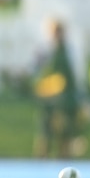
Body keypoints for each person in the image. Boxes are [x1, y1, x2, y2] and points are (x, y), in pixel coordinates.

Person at [32, 20, 83, 158]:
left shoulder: (69, 50)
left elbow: (74, 73)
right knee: (45, 131)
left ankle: (64, 158)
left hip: (66, 97)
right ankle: (42, 159)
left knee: (65, 131)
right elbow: (36, 69)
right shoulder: (45, 49)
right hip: (49, 97)